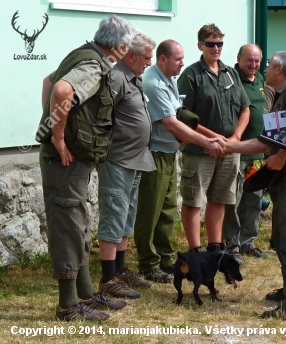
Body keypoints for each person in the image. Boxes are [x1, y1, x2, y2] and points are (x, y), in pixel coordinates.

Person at [37, 15, 134, 321]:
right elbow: (62, 91)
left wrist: (54, 124)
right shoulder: (94, 65)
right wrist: (58, 136)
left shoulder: (85, 54)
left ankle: (86, 294)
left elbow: (49, 82)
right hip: (65, 159)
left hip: (73, 160)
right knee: (68, 225)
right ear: (119, 46)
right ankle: (68, 306)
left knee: (78, 223)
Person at [221, 51, 286, 322]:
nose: (264, 70)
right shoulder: (281, 94)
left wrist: (280, 157)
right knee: (281, 239)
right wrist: (228, 146)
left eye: (268, 66)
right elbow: (268, 142)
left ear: (279, 69)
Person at [135, 40, 223, 283]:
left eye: (183, 58)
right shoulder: (153, 83)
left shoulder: (169, 78)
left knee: (167, 210)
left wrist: (198, 135)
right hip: (154, 155)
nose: (183, 63)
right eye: (178, 59)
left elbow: (179, 115)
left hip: (169, 152)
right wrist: (205, 143)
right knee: (150, 211)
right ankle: (148, 264)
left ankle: (164, 258)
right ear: (163, 59)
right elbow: (171, 123)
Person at [177, 24, 250, 253]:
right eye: (211, 44)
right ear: (200, 45)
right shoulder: (191, 74)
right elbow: (183, 115)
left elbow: (245, 108)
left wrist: (235, 138)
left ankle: (215, 247)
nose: (216, 48)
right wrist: (212, 139)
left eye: (219, 43)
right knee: (194, 200)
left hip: (229, 149)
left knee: (219, 199)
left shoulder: (231, 73)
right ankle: (195, 250)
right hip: (201, 150)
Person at [96, 32, 157, 299]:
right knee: (114, 215)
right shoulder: (117, 77)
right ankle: (108, 278)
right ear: (130, 56)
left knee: (126, 217)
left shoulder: (134, 77)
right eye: (146, 58)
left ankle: (120, 270)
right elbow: (101, 117)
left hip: (135, 159)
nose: (148, 63)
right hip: (118, 160)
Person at [222, 44, 270, 264]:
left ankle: (248, 242)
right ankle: (232, 243)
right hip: (238, 151)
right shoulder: (230, 78)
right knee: (234, 199)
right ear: (238, 58)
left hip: (258, 152)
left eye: (257, 61)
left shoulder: (261, 80)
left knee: (254, 198)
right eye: (249, 60)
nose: (253, 65)